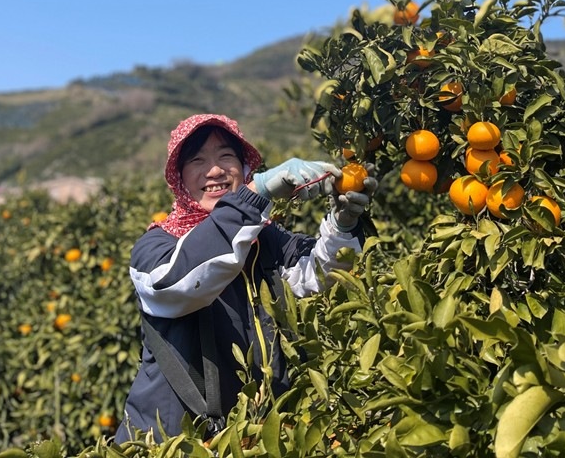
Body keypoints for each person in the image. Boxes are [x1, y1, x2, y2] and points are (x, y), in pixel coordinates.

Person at [115, 113, 376, 442]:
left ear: (244, 167)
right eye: (197, 160)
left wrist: (343, 224)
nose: (215, 170)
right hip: (170, 443)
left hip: (251, 436)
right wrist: (256, 194)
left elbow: (317, 274)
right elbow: (183, 282)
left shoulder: (265, 240)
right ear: (179, 178)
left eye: (226, 156)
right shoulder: (156, 249)